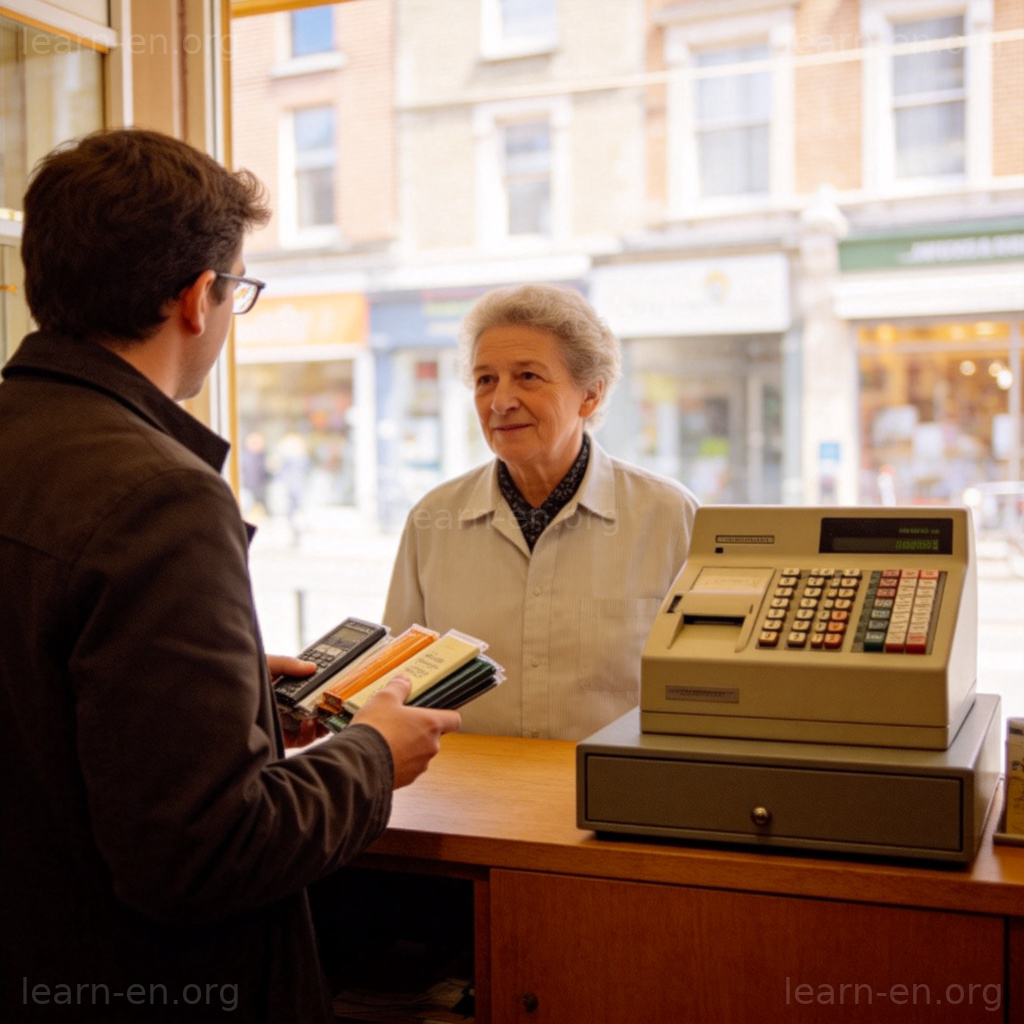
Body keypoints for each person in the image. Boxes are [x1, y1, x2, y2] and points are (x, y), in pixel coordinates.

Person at [0, 128, 460, 1024]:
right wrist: (374, 755)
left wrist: (235, 703)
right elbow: (205, 851)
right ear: (196, 298)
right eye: (238, 290)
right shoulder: (160, 495)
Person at [383, 284, 699, 741]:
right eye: (485, 380)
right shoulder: (432, 519)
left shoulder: (670, 517)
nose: (500, 401)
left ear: (590, 395)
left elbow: (701, 692)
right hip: (464, 785)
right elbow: (397, 685)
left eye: (528, 376)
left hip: (613, 783)